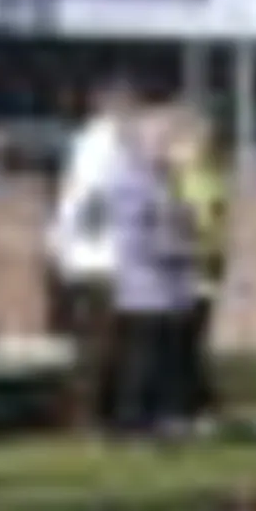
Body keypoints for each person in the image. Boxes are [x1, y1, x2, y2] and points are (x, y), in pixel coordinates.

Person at [103, 105, 203, 439]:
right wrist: (178, 249)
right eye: (163, 140)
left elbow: (173, 222)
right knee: (139, 362)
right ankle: (130, 422)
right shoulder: (131, 180)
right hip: (143, 289)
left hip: (167, 288)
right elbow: (136, 238)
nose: (170, 146)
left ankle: (158, 417)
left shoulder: (161, 179)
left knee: (161, 360)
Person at [47, 77, 137, 431]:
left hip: (99, 256)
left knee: (106, 344)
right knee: (96, 345)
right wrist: (68, 245)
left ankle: (100, 412)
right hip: (95, 259)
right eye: (127, 103)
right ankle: (84, 416)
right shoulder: (99, 142)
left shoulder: (113, 141)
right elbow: (88, 198)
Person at [163, 103, 228, 430]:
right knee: (180, 342)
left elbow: (206, 228)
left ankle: (199, 408)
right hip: (187, 267)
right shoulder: (185, 178)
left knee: (186, 340)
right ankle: (195, 406)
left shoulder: (206, 181)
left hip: (196, 269)